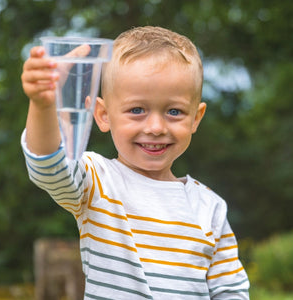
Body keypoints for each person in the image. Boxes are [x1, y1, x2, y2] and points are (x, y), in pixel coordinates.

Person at [21, 26, 250, 299]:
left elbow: (231, 292)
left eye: (174, 111)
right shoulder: (97, 181)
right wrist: (42, 105)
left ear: (196, 118)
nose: (155, 127)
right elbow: (49, 168)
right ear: (103, 115)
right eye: (137, 110)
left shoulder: (210, 208)